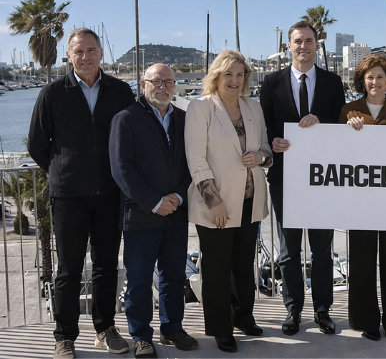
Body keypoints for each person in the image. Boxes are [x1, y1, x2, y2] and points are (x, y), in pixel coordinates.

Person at [28, 28, 135, 359]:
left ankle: (106, 329)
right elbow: (37, 145)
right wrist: (63, 171)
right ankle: (65, 337)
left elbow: (131, 138)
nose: (85, 57)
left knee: (106, 266)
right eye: (79, 51)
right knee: (68, 270)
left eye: (91, 50)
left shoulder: (120, 91)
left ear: (101, 53)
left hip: (110, 195)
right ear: (69, 55)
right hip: (68, 198)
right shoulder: (52, 93)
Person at [260, 21, 345, 336]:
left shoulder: (333, 82)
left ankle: (322, 309)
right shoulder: (271, 82)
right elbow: (265, 125)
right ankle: (293, 308)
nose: (303, 46)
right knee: (288, 251)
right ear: (289, 46)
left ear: (316, 45)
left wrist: (321, 121)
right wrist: (273, 141)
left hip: (322, 178)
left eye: (309, 41)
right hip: (285, 177)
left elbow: (341, 123)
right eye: (298, 41)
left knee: (322, 249)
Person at [185, 50, 273, 353]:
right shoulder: (201, 108)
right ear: (217, 76)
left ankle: (242, 317)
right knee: (217, 268)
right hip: (217, 203)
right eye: (228, 74)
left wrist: (260, 157)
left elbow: (266, 149)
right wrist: (214, 202)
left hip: (250, 200)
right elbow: (196, 160)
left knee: (243, 266)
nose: (235, 80)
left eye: (240, 74)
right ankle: (220, 328)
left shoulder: (253, 107)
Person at [109, 64, 198, 357]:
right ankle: (141, 336)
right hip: (141, 215)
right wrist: (155, 202)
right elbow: (122, 169)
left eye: (168, 82)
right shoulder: (126, 119)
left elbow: (193, 162)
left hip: (176, 213)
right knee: (139, 279)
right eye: (156, 81)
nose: (163, 87)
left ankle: (172, 328)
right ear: (143, 84)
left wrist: (178, 197)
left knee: (174, 276)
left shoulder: (185, 119)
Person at [339, 54, 386, 341]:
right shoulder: (348, 111)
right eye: (370, 77)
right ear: (362, 81)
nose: (375, 82)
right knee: (361, 262)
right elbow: (336, 153)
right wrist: (348, 132)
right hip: (360, 200)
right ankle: (366, 321)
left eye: (380, 76)